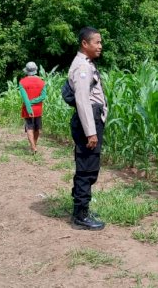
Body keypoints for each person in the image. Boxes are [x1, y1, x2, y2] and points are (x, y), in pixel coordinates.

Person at [68, 27, 107, 231]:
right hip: (88, 122)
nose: (100, 46)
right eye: (97, 42)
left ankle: (80, 209)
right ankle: (80, 216)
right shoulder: (83, 68)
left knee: (87, 167)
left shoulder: (86, 64)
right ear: (85, 44)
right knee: (87, 168)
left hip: (90, 121)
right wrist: (90, 132)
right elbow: (82, 101)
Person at [19, 62, 47, 154]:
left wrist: (29, 107)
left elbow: (25, 98)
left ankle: (33, 146)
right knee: (37, 128)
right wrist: (34, 102)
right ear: (36, 70)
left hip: (28, 109)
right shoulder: (42, 82)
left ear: (27, 71)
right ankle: (34, 145)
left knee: (29, 127)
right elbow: (43, 97)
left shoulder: (22, 82)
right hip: (38, 109)